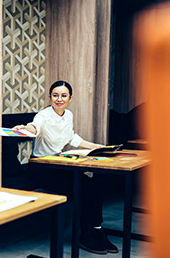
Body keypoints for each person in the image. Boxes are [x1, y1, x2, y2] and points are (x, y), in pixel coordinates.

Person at [12, 80, 118, 255]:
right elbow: (34, 127)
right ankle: (86, 234)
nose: (59, 99)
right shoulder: (43, 116)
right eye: (55, 95)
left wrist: (99, 147)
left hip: (59, 165)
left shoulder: (68, 115)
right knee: (83, 187)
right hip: (41, 167)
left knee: (94, 184)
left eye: (63, 96)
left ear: (70, 98)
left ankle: (97, 229)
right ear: (50, 97)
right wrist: (24, 129)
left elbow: (73, 138)